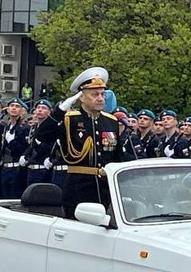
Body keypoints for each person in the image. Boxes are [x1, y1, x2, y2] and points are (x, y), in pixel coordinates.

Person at [34, 66, 125, 217]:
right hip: (78, 186)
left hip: (104, 188)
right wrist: (60, 111)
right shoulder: (70, 119)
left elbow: (117, 157)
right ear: (81, 97)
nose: (100, 98)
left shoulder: (110, 121)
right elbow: (41, 136)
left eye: (102, 94)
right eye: (94, 94)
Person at [0, 97, 30, 198]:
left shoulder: (24, 128)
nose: (14, 108)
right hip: (5, 167)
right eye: (12, 106)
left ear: (22, 111)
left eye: (17, 106)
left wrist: (12, 142)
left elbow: (24, 149)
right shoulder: (6, 128)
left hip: (16, 168)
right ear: (7, 109)